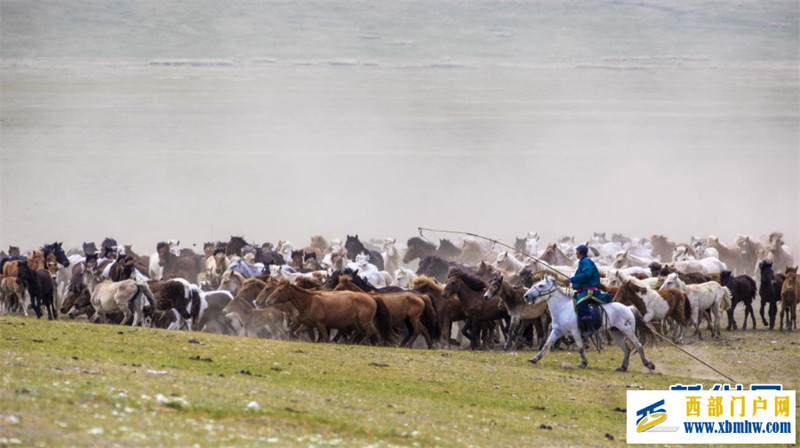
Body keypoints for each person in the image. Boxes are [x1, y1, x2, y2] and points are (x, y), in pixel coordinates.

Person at [570, 244, 610, 338]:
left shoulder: (586, 262)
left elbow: (587, 274)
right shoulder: (583, 261)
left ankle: (590, 327)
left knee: (580, 305)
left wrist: (573, 279)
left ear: (579, 252)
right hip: (583, 289)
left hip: (588, 290)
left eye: (577, 251)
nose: (576, 253)